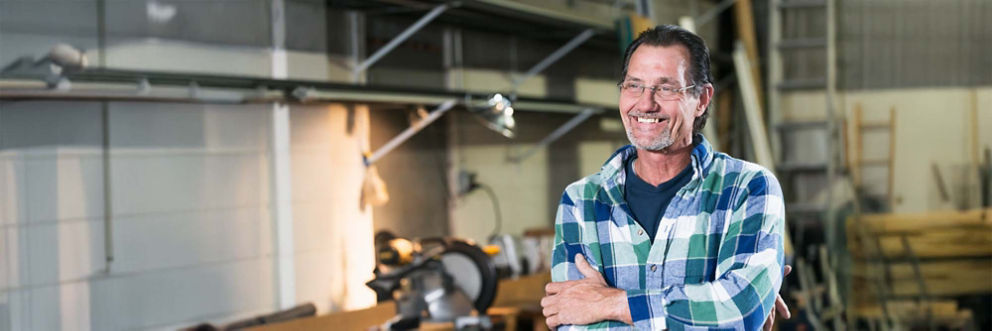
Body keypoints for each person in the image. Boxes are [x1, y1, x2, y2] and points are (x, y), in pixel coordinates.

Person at [540, 25, 789, 330]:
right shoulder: (581, 201)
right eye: (634, 86)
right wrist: (707, 311)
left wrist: (611, 303)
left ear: (701, 99)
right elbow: (573, 321)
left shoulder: (748, 189)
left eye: (666, 88)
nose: (645, 103)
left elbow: (739, 309)